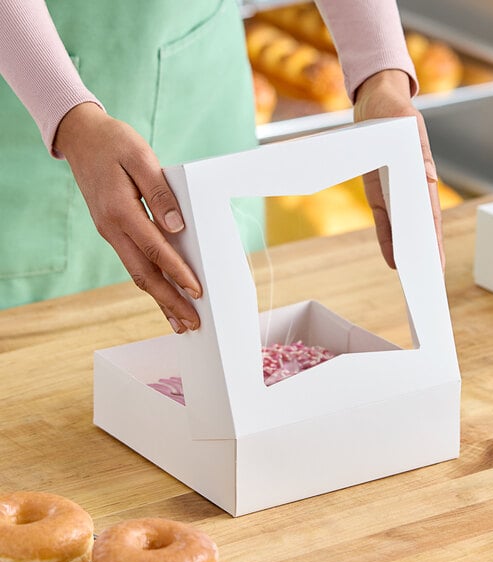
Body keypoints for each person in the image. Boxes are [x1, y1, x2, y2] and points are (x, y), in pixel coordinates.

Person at [0, 0, 442, 334]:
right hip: (21, 88)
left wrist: (380, 74)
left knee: (225, 318)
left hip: (200, 72)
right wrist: (66, 113)